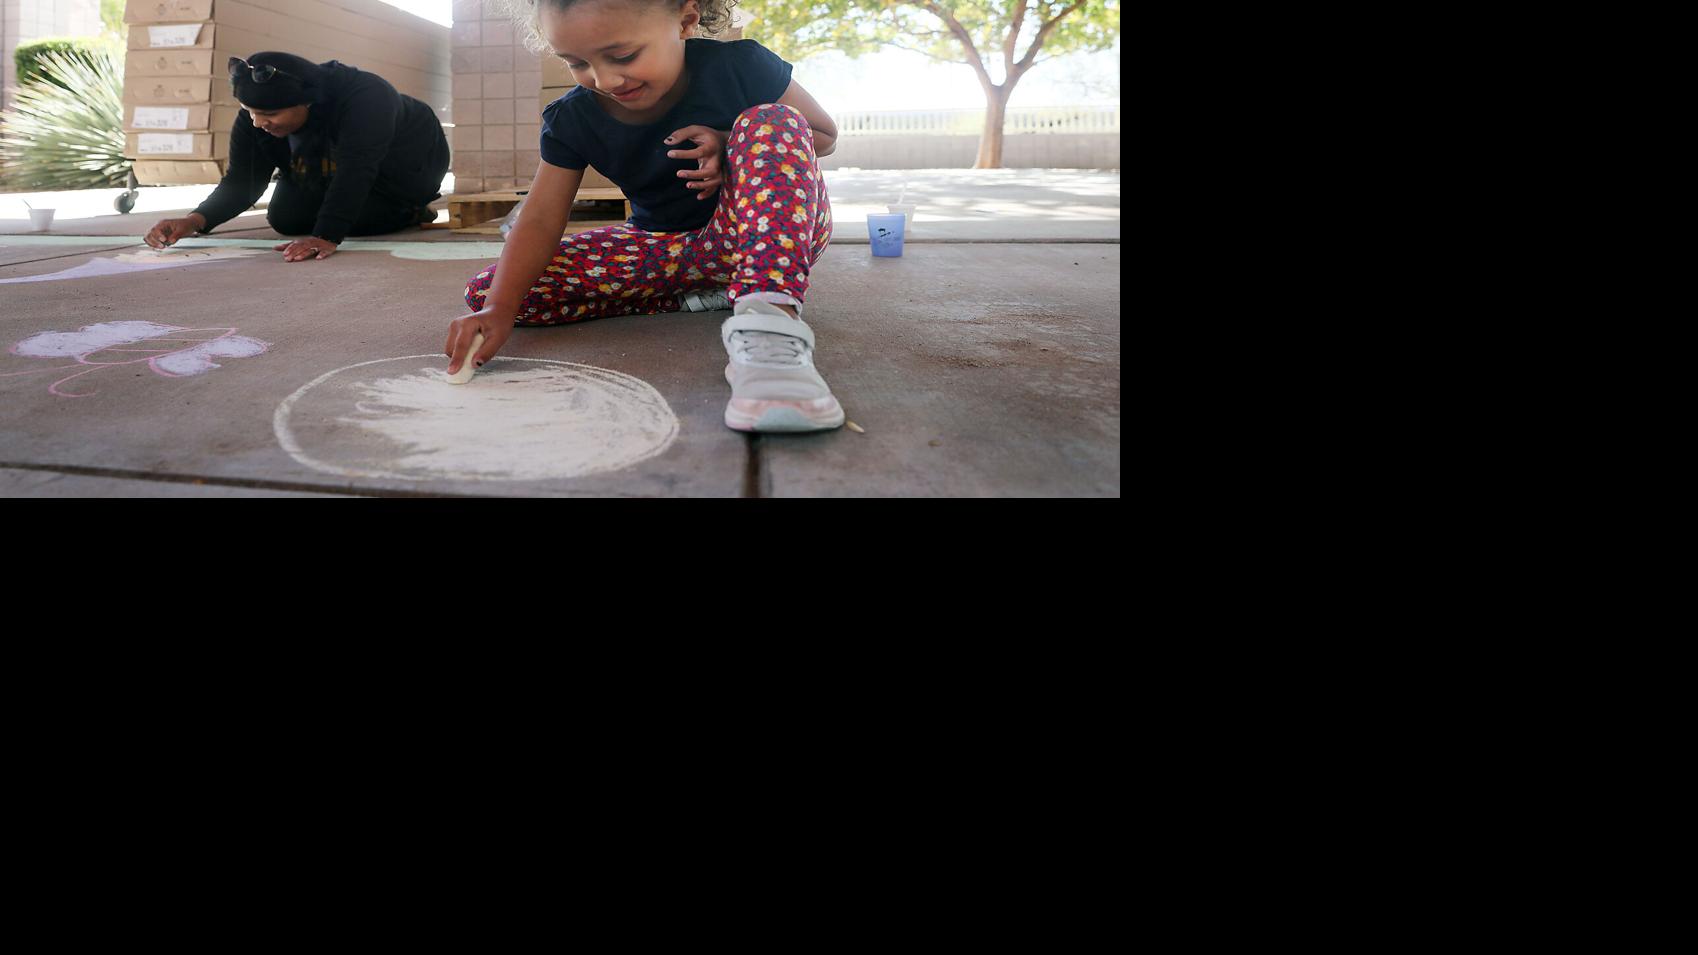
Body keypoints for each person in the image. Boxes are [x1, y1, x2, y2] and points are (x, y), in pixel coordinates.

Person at [445, 0, 844, 432]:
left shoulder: (740, 66)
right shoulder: (572, 118)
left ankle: (770, 324)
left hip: (761, 236)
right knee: (492, 290)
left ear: (686, 20)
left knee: (770, 119)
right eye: (576, 62)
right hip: (664, 249)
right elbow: (540, 218)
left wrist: (728, 142)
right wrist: (499, 309)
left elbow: (821, 135)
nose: (605, 79)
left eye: (623, 56)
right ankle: (698, 296)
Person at [145, 52, 450, 263]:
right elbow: (243, 180)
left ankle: (411, 210)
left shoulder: (367, 97)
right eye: (249, 112)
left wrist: (326, 236)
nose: (257, 123)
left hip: (405, 164)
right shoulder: (256, 118)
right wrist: (194, 220)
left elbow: (358, 168)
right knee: (287, 219)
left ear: (307, 102)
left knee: (356, 218)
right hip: (332, 165)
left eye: (269, 114)